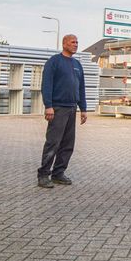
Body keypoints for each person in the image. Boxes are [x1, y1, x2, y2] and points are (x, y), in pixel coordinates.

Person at [37, 34, 87, 188]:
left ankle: (58, 173)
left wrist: (83, 109)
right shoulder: (54, 62)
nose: (76, 44)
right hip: (57, 108)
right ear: (64, 44)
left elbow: (81, 88)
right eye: (73, 42)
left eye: (77, 42)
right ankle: (44, 175)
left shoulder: (77, 64)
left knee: (67, 144)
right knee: (53, 142)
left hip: (72, 108)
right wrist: (48, 105)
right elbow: (47, 84)